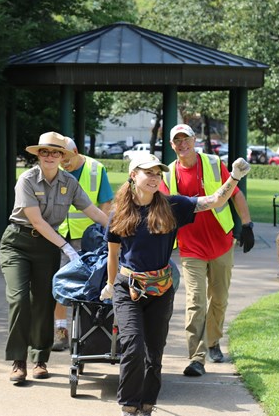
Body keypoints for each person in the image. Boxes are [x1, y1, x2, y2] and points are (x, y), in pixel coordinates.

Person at [99, 153, 251, 416]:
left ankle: (146, 405)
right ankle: (128, 405)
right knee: (133, 346)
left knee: (154, 352)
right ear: (134, 174)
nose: (155, 177)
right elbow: (113, 254)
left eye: (158, 173)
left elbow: (215, 200)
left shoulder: (172, 206)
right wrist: (110, 285)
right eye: (149, 173)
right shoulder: (119, 213)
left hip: (160, 289)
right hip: (128, 289)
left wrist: (235, 176)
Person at [0, 131, 109, 384]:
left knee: (44, 302)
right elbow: (36, 221)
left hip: (46, 248)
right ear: (38, 155)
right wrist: (67, 248)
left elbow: (92, 210)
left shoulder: (68, 181)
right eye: (45, 152)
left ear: (62, 157)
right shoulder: (26, 179)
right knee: (18, 299)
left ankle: (40, 359)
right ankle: (18, 361)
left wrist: (120, 231)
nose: (50, 156)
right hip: (18, 243)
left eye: (55, 152)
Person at [160, 124, 255, 376]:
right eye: (177, 141)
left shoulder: (213, 163)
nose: (182, 144)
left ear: (194, 140)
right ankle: (196, 357)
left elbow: (235, 194)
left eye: (186, 139)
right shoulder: (168, 174)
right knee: (195, 302)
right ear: (172, 145)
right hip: (191, 247)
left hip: (221, 243)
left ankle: (213, 341)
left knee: (220, 299)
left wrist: (246, 224)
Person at [52, 137, 114, 351]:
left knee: (88, 285)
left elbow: (106, 202)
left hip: (86, 238)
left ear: (76, 151)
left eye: (67, 159)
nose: (64, 164)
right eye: (61, 160)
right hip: (59, 235)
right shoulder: (54, 169)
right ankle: (61, 332)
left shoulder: (96, 169)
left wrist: (102, 234)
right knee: (58, 284)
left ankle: (89, 332)